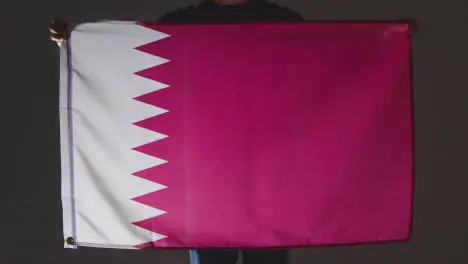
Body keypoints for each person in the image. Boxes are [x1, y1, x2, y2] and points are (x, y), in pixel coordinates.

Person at [50, 1, 304, 263]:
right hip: (207, 175)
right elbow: (131, 56)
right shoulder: (184, 21)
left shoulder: (280, 18)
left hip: (266, 171)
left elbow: (319, 63)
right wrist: (76, 46)